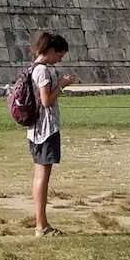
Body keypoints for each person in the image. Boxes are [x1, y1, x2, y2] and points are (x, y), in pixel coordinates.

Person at [27, 30, 75, 237]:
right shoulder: (43, 71)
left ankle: (41, 222)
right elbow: (46, 101)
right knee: (42, 177)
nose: (60, 59)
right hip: (45, 130)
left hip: (35, 130)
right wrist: (61, 86)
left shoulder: (32, 68)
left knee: (40, 176)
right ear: (52, 51)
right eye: (59, 55)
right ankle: (42, 225)